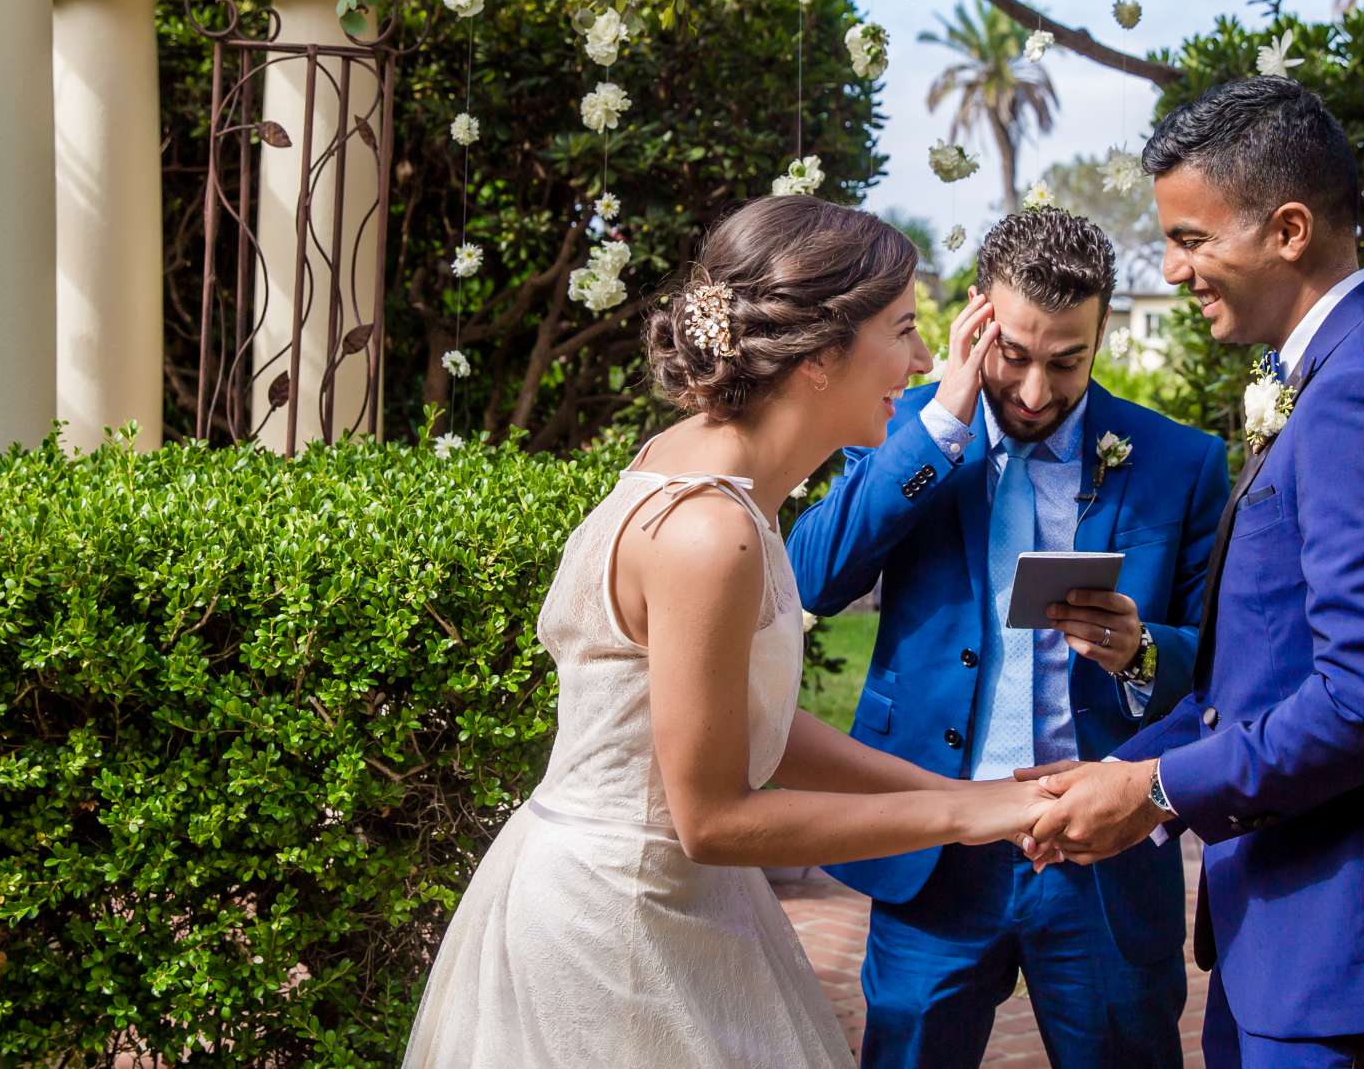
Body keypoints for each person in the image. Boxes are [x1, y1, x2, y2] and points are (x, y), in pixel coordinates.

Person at [404, 195, 1053, 1069]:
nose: (927, 359)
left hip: (669, 899)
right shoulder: (711, 531)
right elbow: (708, 818)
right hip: (618, 928)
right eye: (903, 330)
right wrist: (961, 817)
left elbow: (759, 730)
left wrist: (977, 801)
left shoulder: (711, 472)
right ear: (823, 353)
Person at [1026, 78, 1364, 1069]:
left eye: (1191, 239)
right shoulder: (1352, 371)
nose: (1172, 269)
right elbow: (1266, 678)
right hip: (1308, 948)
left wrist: (1160, 792)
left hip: (1350, 953)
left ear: (1289, 228)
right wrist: (1119, 772)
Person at [790, 207, 1229, 1069]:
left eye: (1067, 361)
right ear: (978, 318)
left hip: (1099, 846)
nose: (1034, 391)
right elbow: (812, 574)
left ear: (1100, 332)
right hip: (934, 838)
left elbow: (1219, 662)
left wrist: (1143, 651)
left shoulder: (1180, 461)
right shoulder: (901, 427)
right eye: (1015, 356)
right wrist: (944, 420)